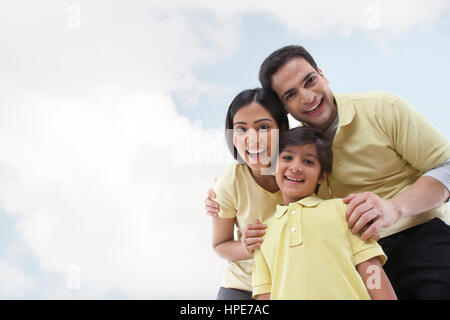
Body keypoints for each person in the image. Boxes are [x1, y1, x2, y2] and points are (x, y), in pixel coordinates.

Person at [206, 45, 450, 299]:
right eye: (291, 94)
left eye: (310, 81)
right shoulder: (292, 150)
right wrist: (220, 193)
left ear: (322, 74)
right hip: (347, 258)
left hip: (416, 238)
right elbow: (252, 172)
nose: (308, 96)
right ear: (285, 109)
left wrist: (394, 208)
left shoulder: (383, 108)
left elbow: (447, 166)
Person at [252, 126, 397, 300]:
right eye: (288, 158)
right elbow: (264, 294)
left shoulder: (344, 210)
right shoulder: (262, 233)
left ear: (322, 176)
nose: (296, 167)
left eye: (308, 162)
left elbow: (371, 268)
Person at [211, 88, 289, 300]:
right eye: (241, 129)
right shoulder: (229, 182)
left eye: (263, 127)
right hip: (243, 288)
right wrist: (247, 248)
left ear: (282, 128)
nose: (252, 139)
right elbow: (220, 245)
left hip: (292, 284)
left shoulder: (302, 171)